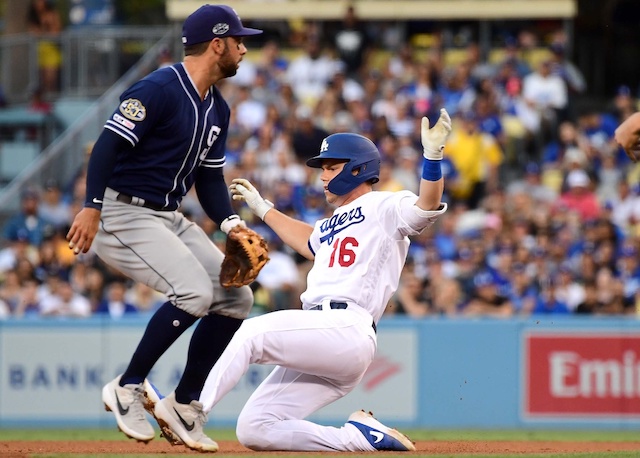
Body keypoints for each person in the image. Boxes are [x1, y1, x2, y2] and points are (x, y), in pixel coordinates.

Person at [151, 109, 453, 452]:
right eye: (322, 167)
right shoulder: (334, 222)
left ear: (358, 169)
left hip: (346, 326)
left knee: (249, 331)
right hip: (326, 336)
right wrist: (263, 209)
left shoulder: (385, 206)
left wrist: (432, 157)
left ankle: (191, 410)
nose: (322, 175)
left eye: (331, 167)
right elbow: (310, 241)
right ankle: (356, 439)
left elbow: (426, 206)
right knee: (255, 428)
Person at [65, 4, 263, 447]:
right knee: (193, 291)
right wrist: (91, 206)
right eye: (238, 40)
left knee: (236, 297)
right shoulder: (158, 88)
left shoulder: (218, 109)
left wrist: (230, 223)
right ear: (217, 44)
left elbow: (210, 177)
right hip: (122, 212)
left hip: (167, 215)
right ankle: (127, 386)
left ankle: (183, 403)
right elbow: (107, 146)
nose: (243, 48)